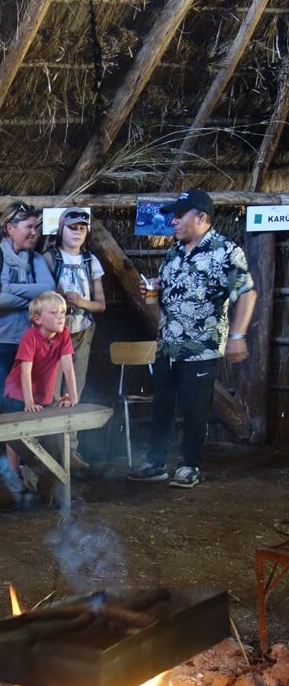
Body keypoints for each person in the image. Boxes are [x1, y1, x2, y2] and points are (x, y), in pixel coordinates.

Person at [127, 188, 256, 489]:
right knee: (161, 406)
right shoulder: (173, 251)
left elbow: (247, 293)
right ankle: (156, 462)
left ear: (201, 217)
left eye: (179, 215)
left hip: (202, 348)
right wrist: (156, 289)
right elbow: (169, 293)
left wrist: (238, 335)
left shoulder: (225, 252)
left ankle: (190, 465)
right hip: (168, 345)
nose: (173, 221)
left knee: (194, 408)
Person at [0, 202, 55, 486]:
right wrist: (31, 298)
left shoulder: (37, 260)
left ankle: (15, 468)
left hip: (25, 347)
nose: (34, 233)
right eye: (29, 227)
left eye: (36, 227)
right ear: (10, 228)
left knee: (19, 405)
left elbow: (49, 289)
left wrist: (10, 291)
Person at [43, 207, 105, 468]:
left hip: (82, 332)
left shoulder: (91, 262)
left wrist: (82, 302)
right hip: (55, 336)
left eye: (82, 228)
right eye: (72, 227)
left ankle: (71, 451)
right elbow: (41, 299)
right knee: (51, 393)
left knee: (74, 391)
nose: (77, 232)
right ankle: (52, 452)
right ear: (61, 229)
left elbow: (100, 304)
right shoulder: (49, 259)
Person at [1, 291, 78, 486]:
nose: (60, 316)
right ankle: (12, 472)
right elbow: (25, 371)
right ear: (37, 319)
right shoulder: (30, 337)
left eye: (63, 311)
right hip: (18, 393)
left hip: (42, 394)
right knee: (15, 434)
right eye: (54, 312)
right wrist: (28, 402)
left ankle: (34, 473)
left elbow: (68, 366)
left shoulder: (65, 335)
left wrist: (73, 396)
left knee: (40, 435)